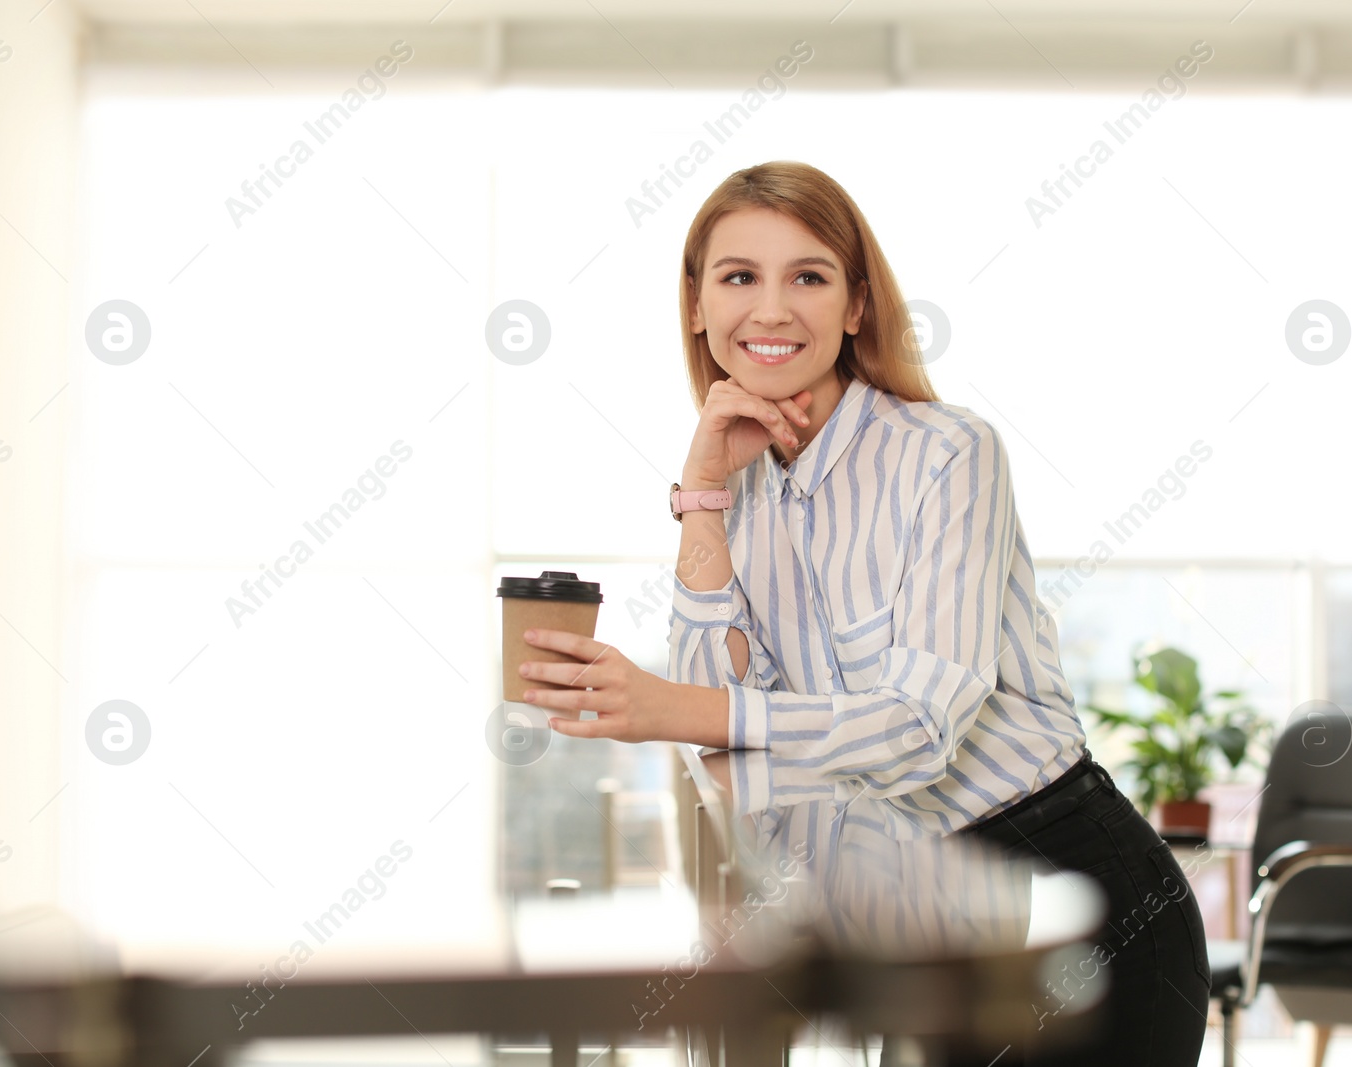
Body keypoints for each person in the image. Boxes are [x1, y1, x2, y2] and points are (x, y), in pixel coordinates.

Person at [516, 161, 1210, 1065]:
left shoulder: (951, 454)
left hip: (1070, 901)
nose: (771, 309)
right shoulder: (738, 487)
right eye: (738, 277)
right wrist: (700, 493)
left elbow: (916, 728)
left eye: (808, 275)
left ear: (855, 304)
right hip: (925, 919)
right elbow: (724, 752)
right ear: (697, 305)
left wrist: (668, 712)